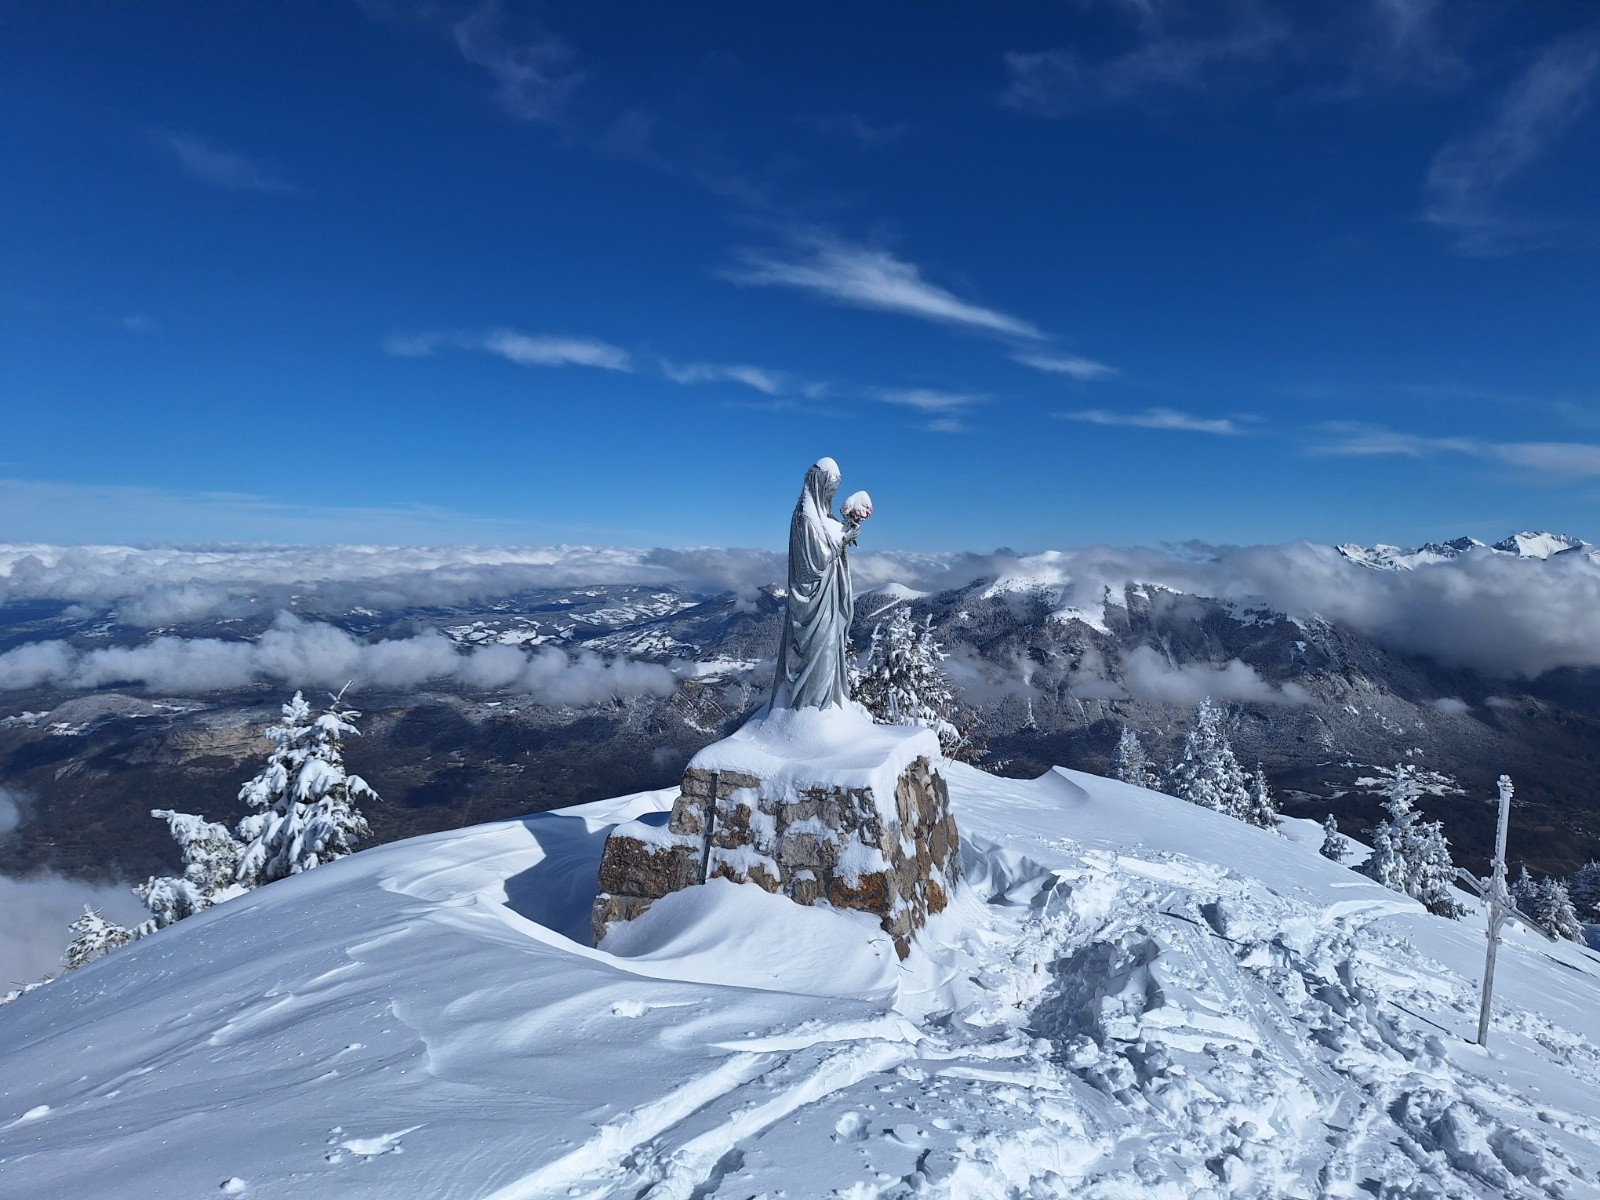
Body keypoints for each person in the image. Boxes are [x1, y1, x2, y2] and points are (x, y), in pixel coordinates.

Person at [770, 457, 861, 710]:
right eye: (830, 489)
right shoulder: (805, 517)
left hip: (826, 598)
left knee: (829, 650)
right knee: (820, 652)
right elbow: (813, 562)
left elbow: (829, 543)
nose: (832, 494)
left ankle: (824, 706)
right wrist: (843, 539)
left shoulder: (821, 515)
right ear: (819, 485)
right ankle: (811, 708)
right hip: (812, 602)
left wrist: (845, 531)